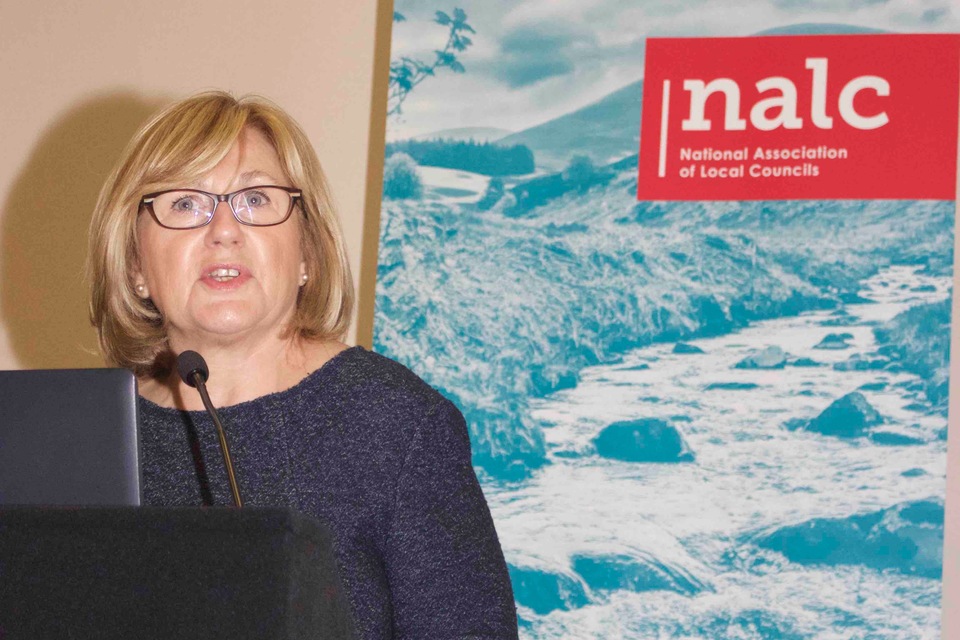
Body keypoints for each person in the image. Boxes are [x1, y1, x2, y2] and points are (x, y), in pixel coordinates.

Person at [86, 91, 518, 639]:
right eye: (185, 204)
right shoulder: (85, 439)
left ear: (307, 253)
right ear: (134, 264)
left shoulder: (399, 426)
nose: (223, 230)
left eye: (257, 199)